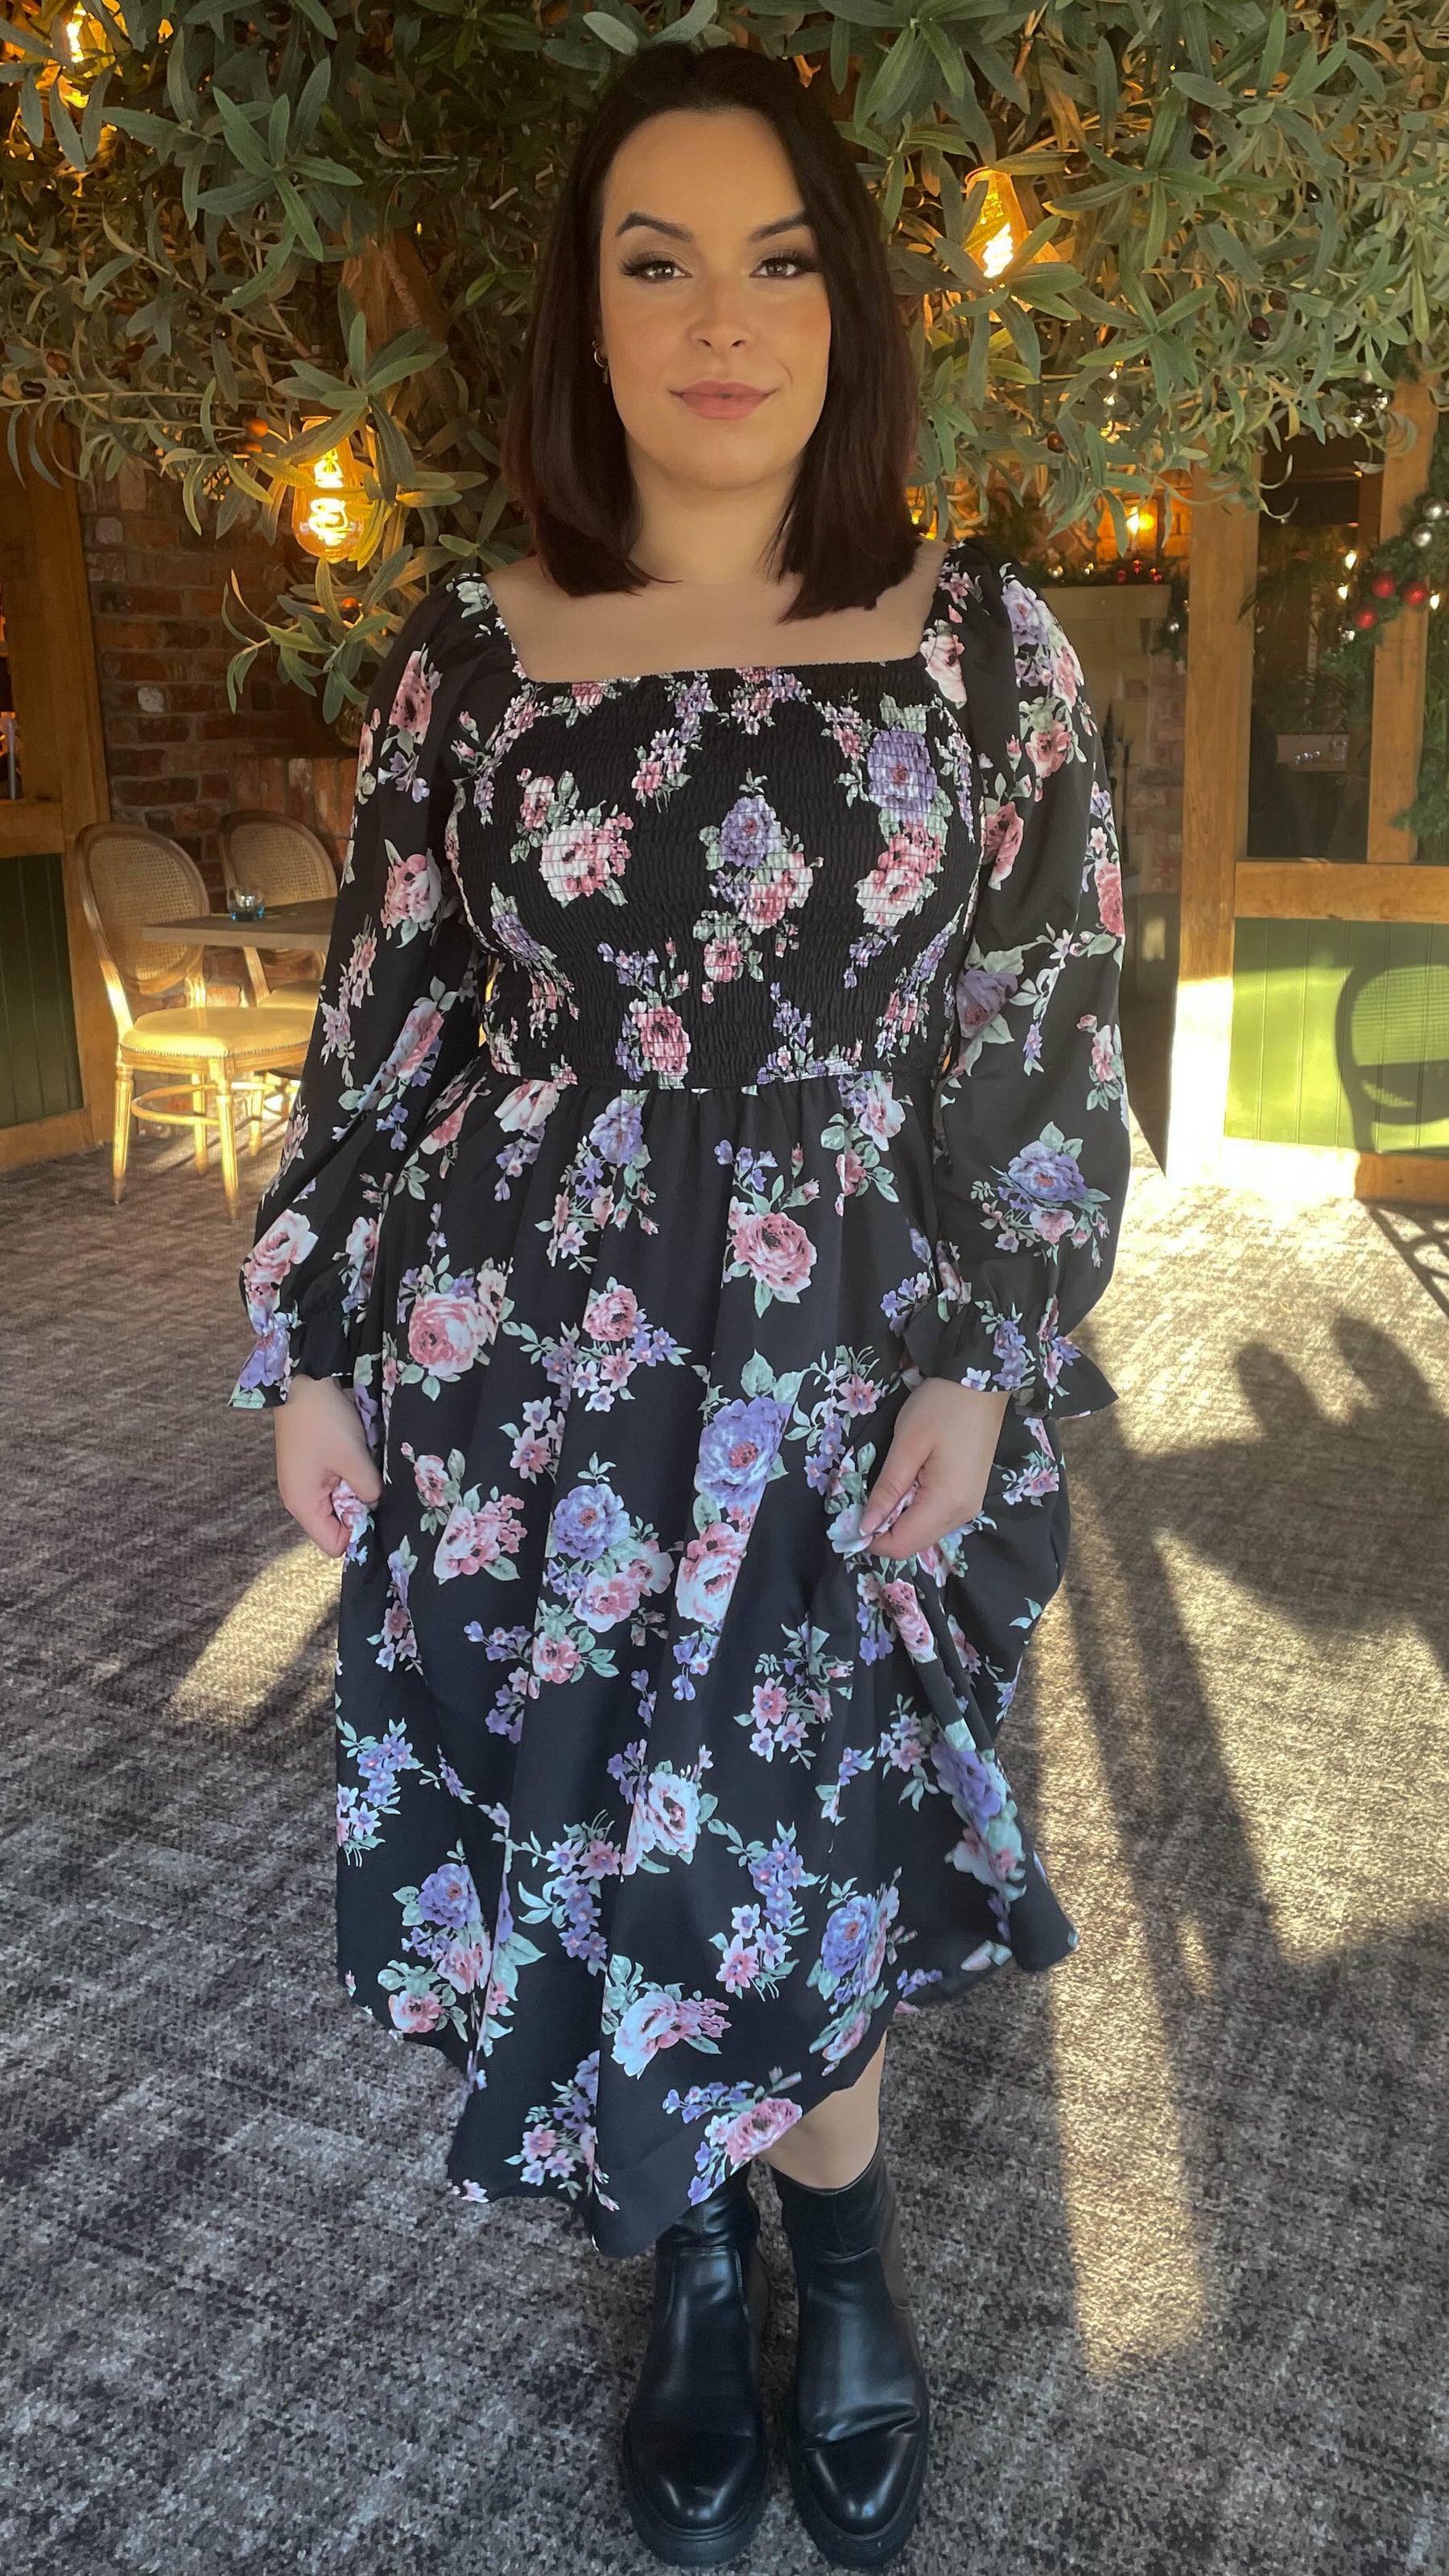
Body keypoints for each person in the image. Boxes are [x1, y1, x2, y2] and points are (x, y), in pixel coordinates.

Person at [229, 43, 1130, 2571]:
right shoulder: (475, 656)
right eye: (658, 263)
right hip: (527, 1366)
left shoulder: (985, 652)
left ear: (846, 308)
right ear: (587, 319)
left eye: (778, 259)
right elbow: (384, 1033)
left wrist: (986, 1353)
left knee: (804, 1829)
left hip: (848, 1363)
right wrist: (315, 1345)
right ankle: (700, 2265)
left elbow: (1044, 1030)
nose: (722, 320)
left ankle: (843, 2257)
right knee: (605, 1811)